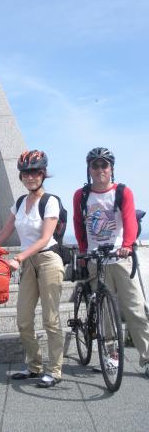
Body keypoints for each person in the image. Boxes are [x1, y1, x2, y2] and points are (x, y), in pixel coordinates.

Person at [73, 147, 149, 378]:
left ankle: (146, 357)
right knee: (104, 313)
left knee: (135, 308)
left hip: (119, 257)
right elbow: (78, 224)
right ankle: (111, 357)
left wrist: (127, 245)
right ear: (89, 169)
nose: (99, 169)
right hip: (96, 259)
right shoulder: (81, 195)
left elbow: (129, 221)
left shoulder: (122, 192)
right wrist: (84, 251)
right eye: (95, 165)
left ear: (111, 168)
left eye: (104, 165)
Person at [0, 150, 64, 388]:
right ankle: (34, 366)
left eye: (35, 172)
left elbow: (45, 238)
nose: (30, 177)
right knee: (23, 320)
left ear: (43, 174)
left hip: (47, 260)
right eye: (25, 173)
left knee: (50, 319)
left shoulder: (50, 201)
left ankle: (54, 370)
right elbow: (5, 232)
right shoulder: (20, 202)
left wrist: (19, 257)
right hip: (28, 265)